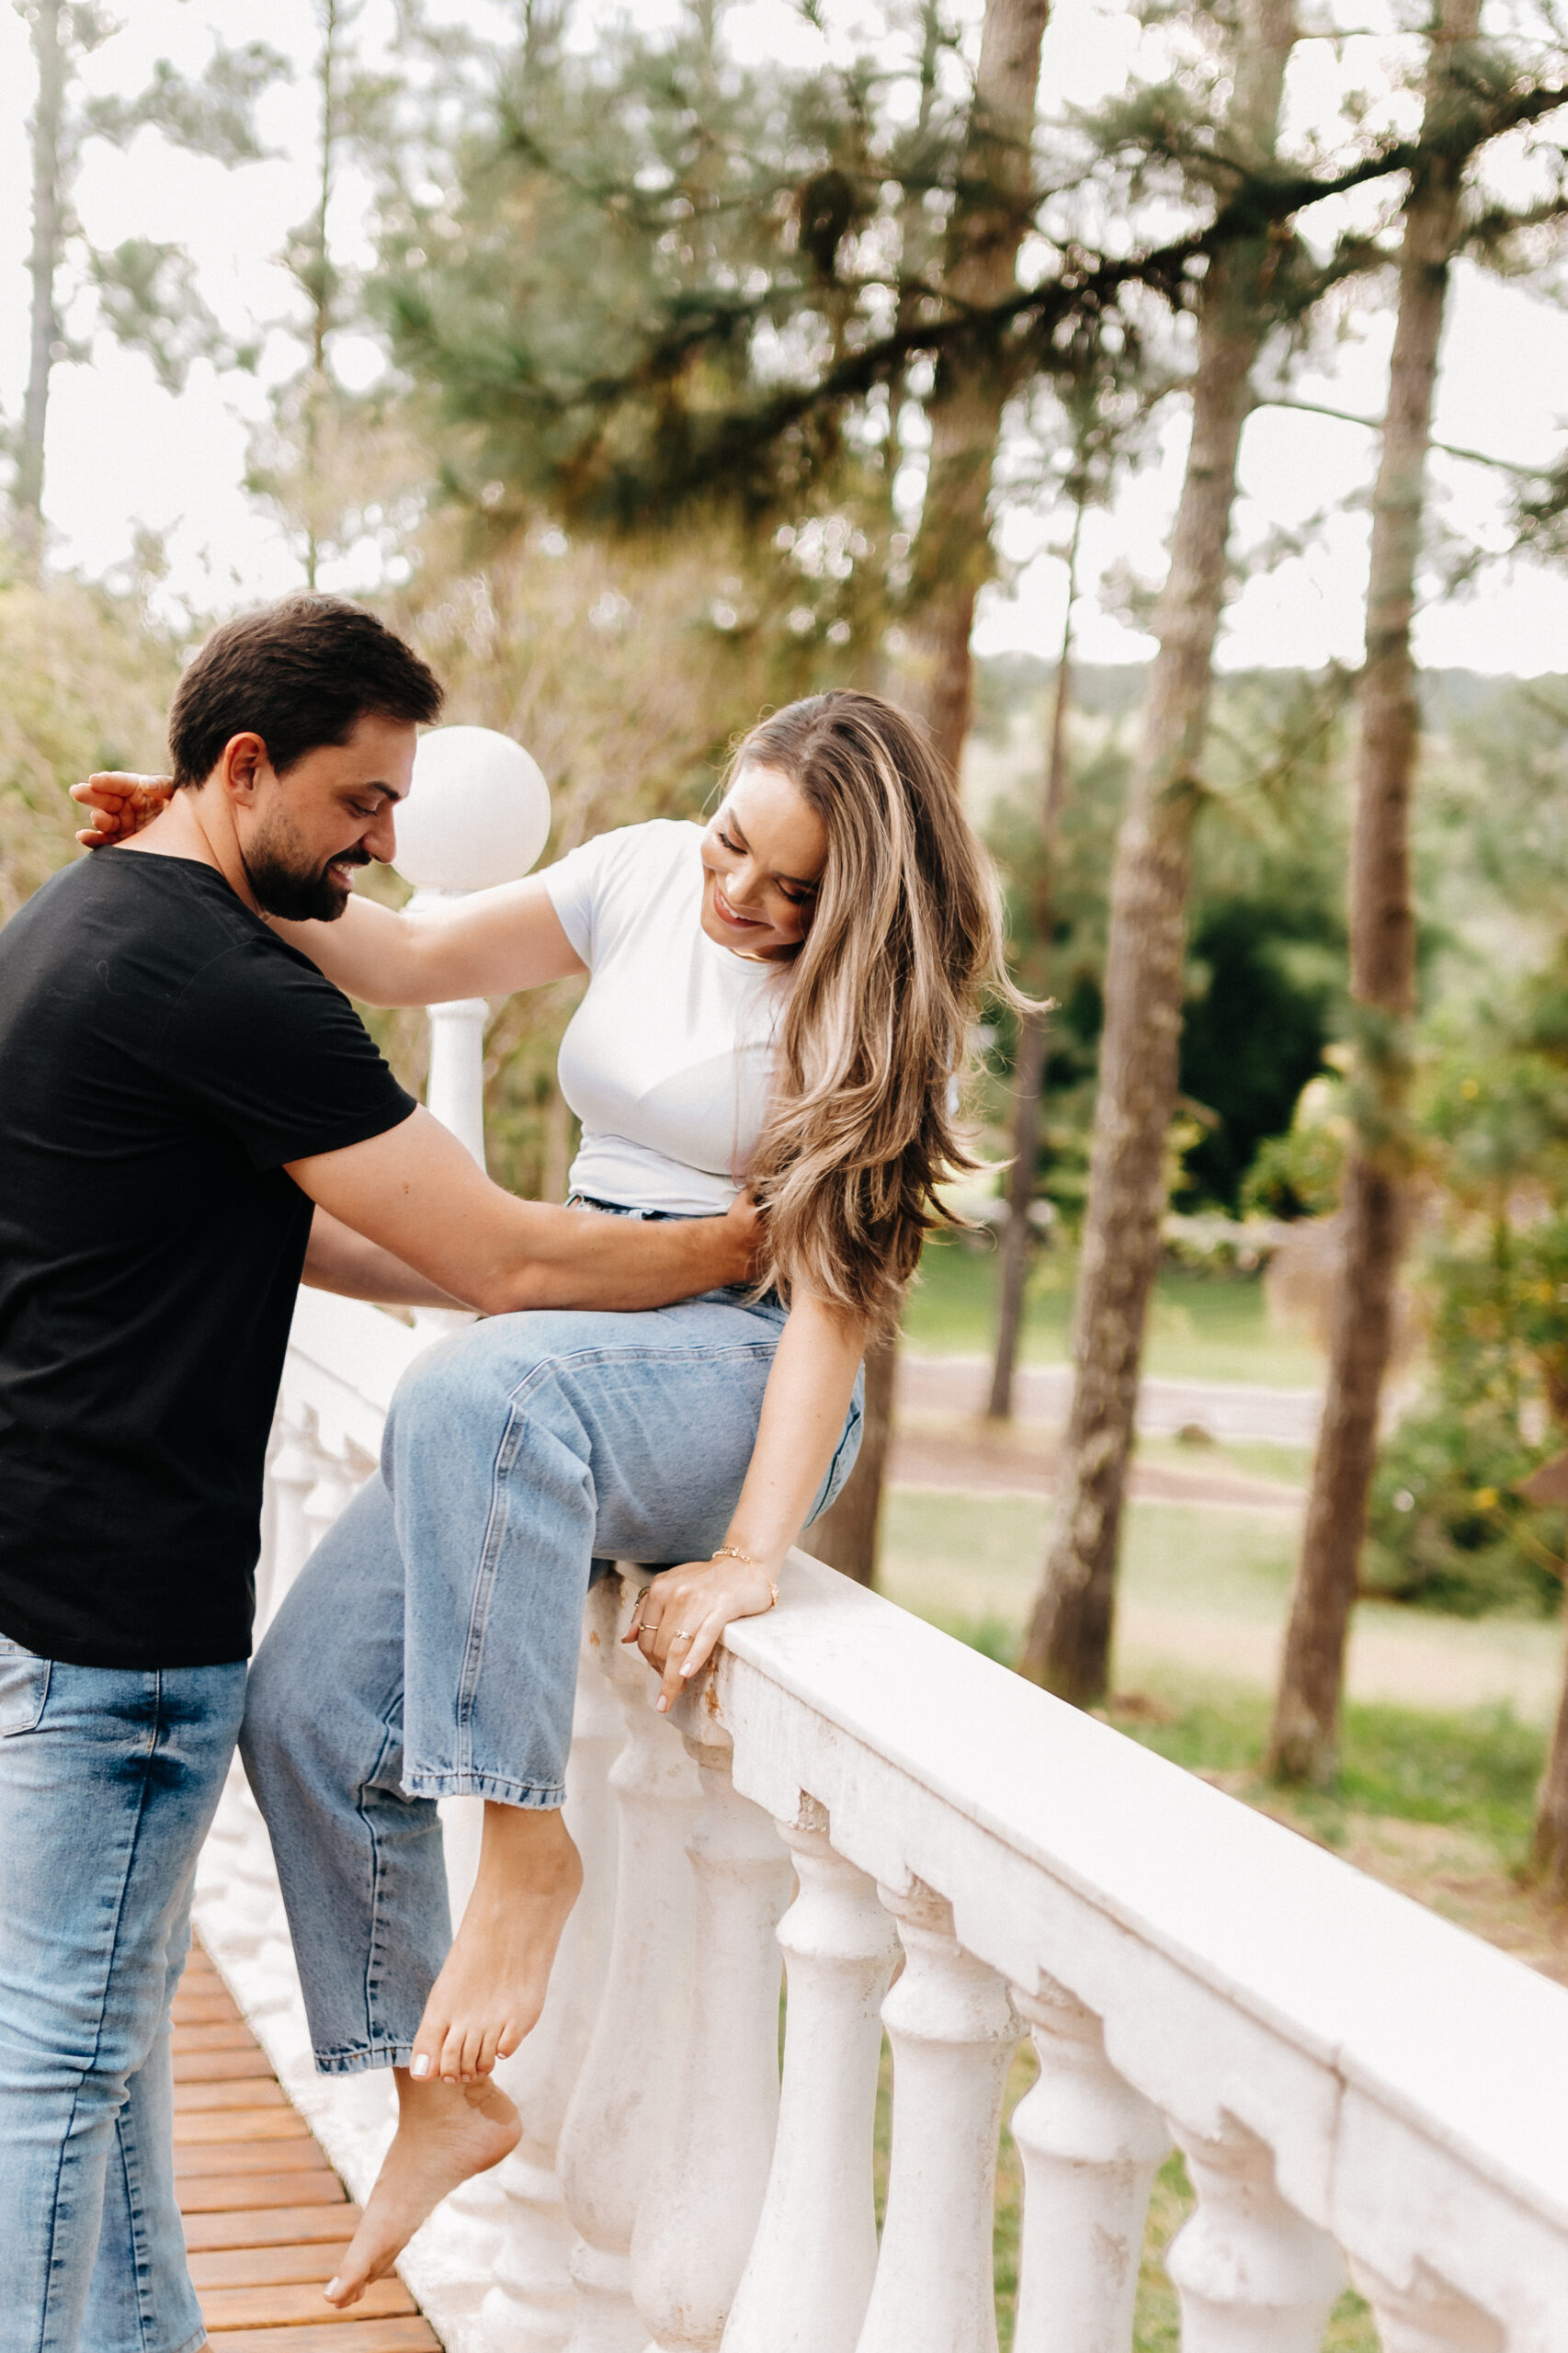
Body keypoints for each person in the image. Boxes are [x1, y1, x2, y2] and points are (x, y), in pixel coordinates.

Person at [80, 688, 1018, 2312]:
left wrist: (751, 1554)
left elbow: (833, 1311)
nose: (741, 896)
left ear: (859, 900)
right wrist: (201, 846)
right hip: (569, 1344)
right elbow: (397, 956)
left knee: (471, 1382)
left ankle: (528, 1855)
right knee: (306, 1709)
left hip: (731, 1370)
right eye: (733, 844)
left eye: (793, 889)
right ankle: (435, 2091)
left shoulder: (875, 1014)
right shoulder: (640, 871)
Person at [0, 594, 758, 2353]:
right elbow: (506, 1255)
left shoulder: (73, 923)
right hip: (117, 1623)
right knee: (56, 2073)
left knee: (96, 2059)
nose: (382, 845)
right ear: (245, 767)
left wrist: (525, 1278)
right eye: (361, 802)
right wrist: (741, 1248)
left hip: (39, 1572)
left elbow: (328, 1239)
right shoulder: (232, 989)